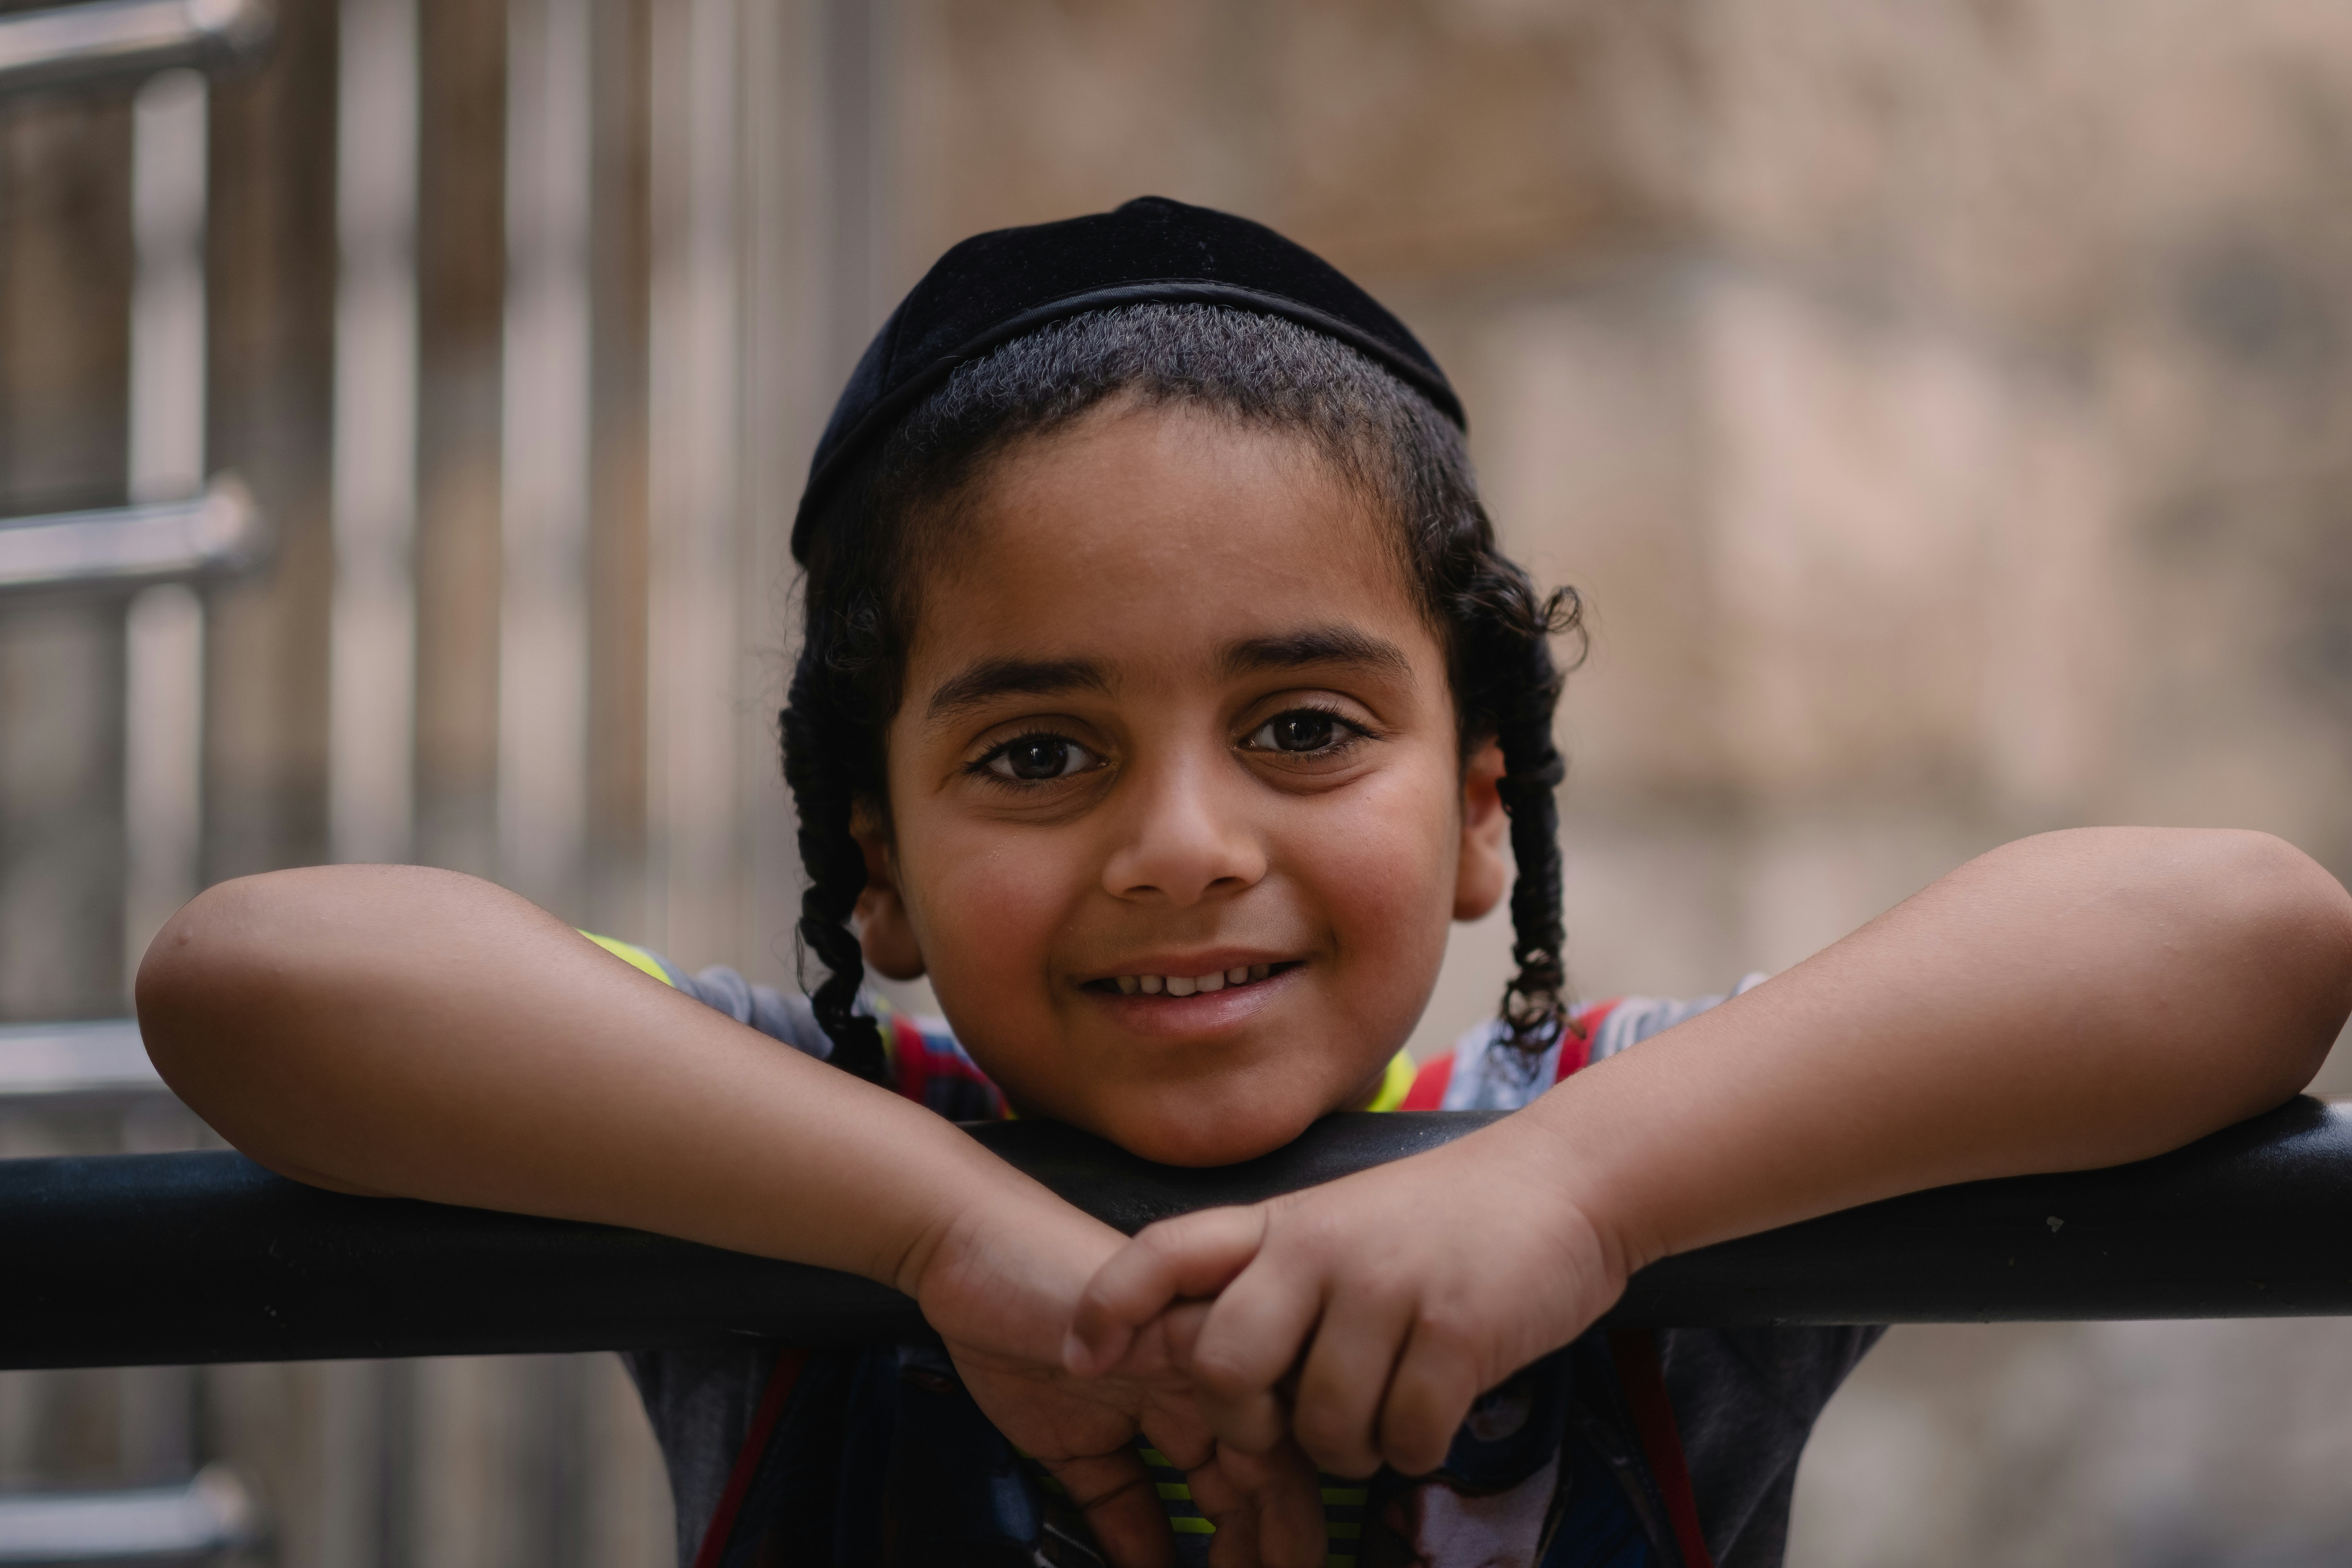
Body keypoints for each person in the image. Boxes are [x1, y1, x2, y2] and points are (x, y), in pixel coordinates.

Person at [136, 198, 2352, 1568]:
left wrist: (1577, 1200)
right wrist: (935, 1231)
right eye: (1035, 753)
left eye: (1304, 728)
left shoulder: (1624, 1136)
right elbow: (256, 981)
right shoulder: (787, 1156)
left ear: (1485, 810)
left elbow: (2244, 937)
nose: (1184, 845)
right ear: (875, 873)